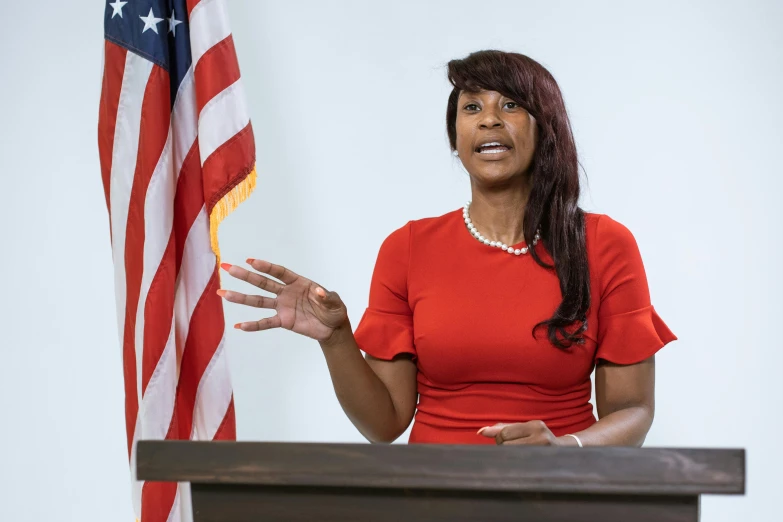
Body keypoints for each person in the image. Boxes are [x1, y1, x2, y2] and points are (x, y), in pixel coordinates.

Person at [217, 50, 677, 446]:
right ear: (456, 138)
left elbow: (633, 411)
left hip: (560, 493)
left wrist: (567, 447)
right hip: (431, 497)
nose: (489, 118)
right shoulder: (408, 248)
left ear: (546, 127)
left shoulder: (604, 244)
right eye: (471, 107)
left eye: (511, 104)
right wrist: (337, 340)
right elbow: (385, 424)